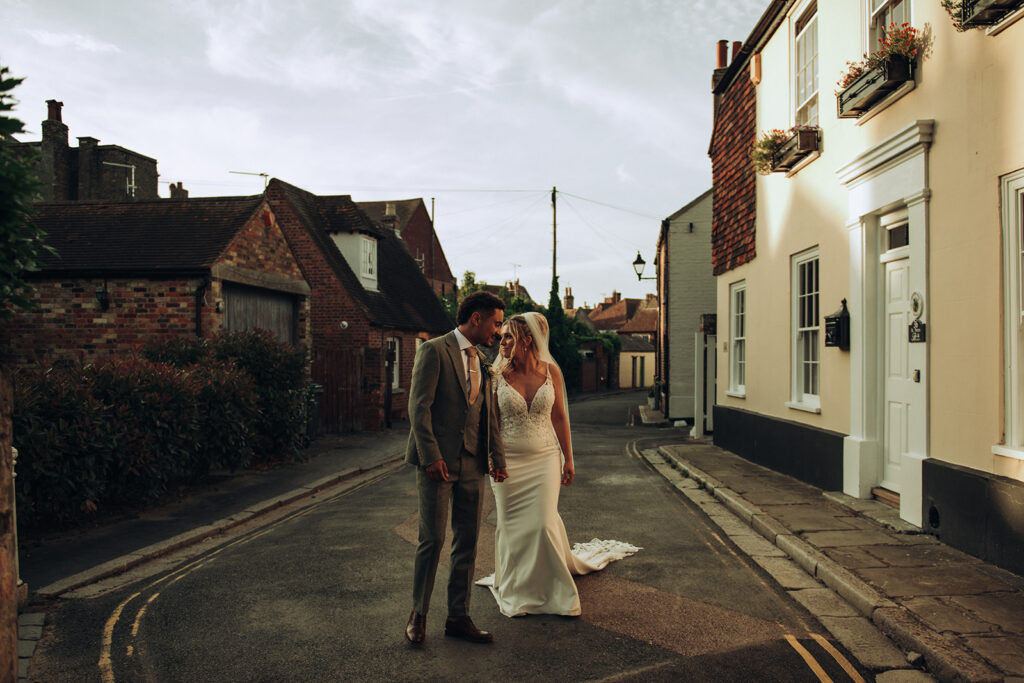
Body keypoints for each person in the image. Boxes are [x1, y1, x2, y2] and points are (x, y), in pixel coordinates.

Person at [478, 312, 639, 617]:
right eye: (502, 336)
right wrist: (492, 459)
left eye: (509, 336)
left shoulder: (551, 372)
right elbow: (491, 424)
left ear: (527, 340)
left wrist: (568, 459)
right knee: (512, 527)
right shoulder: (496, 376)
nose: (502, 342)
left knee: (541, 523)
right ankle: (517, 587)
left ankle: (551, 588)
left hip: (545, 460)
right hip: (508, 463)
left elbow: (560, 417)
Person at [404, 291, 508, 645]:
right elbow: (419, 408)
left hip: (473, 464)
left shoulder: (483, 361)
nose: (498, 331)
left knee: (468, 541)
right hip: (438, 464)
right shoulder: (434, 350)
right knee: (432, 539)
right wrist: (431, 456)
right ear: (476, 318)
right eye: (496, 323)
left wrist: (497, 459)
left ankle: (458, 617)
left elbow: (488, 416)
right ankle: (418, 614)